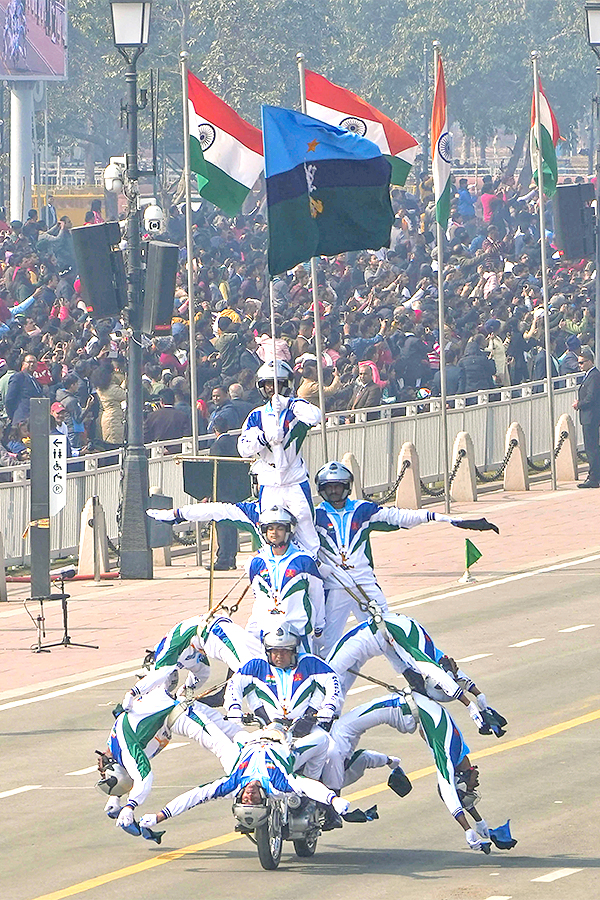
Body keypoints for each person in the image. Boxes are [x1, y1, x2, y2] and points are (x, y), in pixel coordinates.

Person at [313, 461, 499, 654]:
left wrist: (437, 517)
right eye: (329, 487)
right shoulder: (314, 516)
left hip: (365, 583)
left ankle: (412, 673)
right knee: (326, 644)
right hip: (334, 588)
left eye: (338, 486)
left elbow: (398, 517)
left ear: (347, 487)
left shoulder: (363, 510)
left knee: (389, 635)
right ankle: (324, 681)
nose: (334, 491)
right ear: (322, 490)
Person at [138, 725, 350, 830]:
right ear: (263, 801)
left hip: (249, 741)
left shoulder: (232, 784)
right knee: (322, 739)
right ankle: (310, 804)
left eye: (245, 800)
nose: (249, 796)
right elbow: (309, 785)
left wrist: (159, 816)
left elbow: (196, 795)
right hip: (284, 744)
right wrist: (333, 799)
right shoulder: (278, 785)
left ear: (239, 798)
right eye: (255, 801)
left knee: (234, 733)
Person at [98, 681, 237, 833]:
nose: (100, 764)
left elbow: (144, 777)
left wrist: (131, 805)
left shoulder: (128, 751)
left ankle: (244, 782)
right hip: (175, 707)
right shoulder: (114, 744)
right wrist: (116, 796)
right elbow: (128, 773)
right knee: (236, 733)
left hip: (178, 714)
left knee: (224, 748)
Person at [225, 624, 341, 782]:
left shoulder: (310, 663)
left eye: (285, 651)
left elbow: (333, 682)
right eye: (274, 651)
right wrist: (234, 708)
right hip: (268, 729)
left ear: (294, 650)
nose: (279, 656)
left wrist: (328, 707)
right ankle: (243, 788)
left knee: (333, 752)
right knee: (239, 748)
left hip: (305, 727)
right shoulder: (256, 665)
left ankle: (320, 795)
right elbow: (234, 685)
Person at [238, 360, 321, 555]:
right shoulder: (256, 416)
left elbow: (315, 416)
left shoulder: (296, 410)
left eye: (276, 384)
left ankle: (312, 566)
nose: (271, 389)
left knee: (306, 525)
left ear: (286, 385)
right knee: (268, 528)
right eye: (267, 384)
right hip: (270, 481)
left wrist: (290, 403)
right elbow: (243, 448)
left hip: (294, 480)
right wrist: (264, 437)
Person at [121, 612, 262, 708]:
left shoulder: (168, 649)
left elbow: (159, 674)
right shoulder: (183, 656)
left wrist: (132, 693)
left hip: (216, 632)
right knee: (262, 663)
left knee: (251, 673)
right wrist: (187, 688)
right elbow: (202, 672)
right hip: (217, 635)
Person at [245, 506, 325, 649]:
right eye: (270, 529)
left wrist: (319, 624)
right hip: (267, 634)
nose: (274, 533)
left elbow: (317, 595)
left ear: (289, 530)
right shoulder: (256, 563)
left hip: (299, 633)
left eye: (279, 528)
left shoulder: (304, 561)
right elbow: (258, 597)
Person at [207, 414, 241, 570]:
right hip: (235, 490)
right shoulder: (235, 443)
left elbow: (212, 470)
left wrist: (208, 493)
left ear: (215, 430)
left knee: (221, 525)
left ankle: (222, 559)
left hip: (220, 490)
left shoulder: (216, 446)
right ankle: (232, 558)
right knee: (232, 524)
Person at [573, 346, 600, 488]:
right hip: (588, 417)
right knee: (591, 447)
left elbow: (591, 397)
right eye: (579, 363)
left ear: (590, 361)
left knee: (592, 448)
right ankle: (594, 475)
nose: (580, 365)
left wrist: (579, 404)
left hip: (591, 416)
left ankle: (594, 477)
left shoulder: (594, 376)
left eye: (582, 363)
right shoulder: (589, 375)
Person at [4, 353, 43, 424]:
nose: (32, 364)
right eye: (29, 362)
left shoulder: (35, 381)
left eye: (34, 362)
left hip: (34, 419)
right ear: (24, 364)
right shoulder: (18, 377)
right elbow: (9, 399)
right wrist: (13, 416)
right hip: (22, 420)